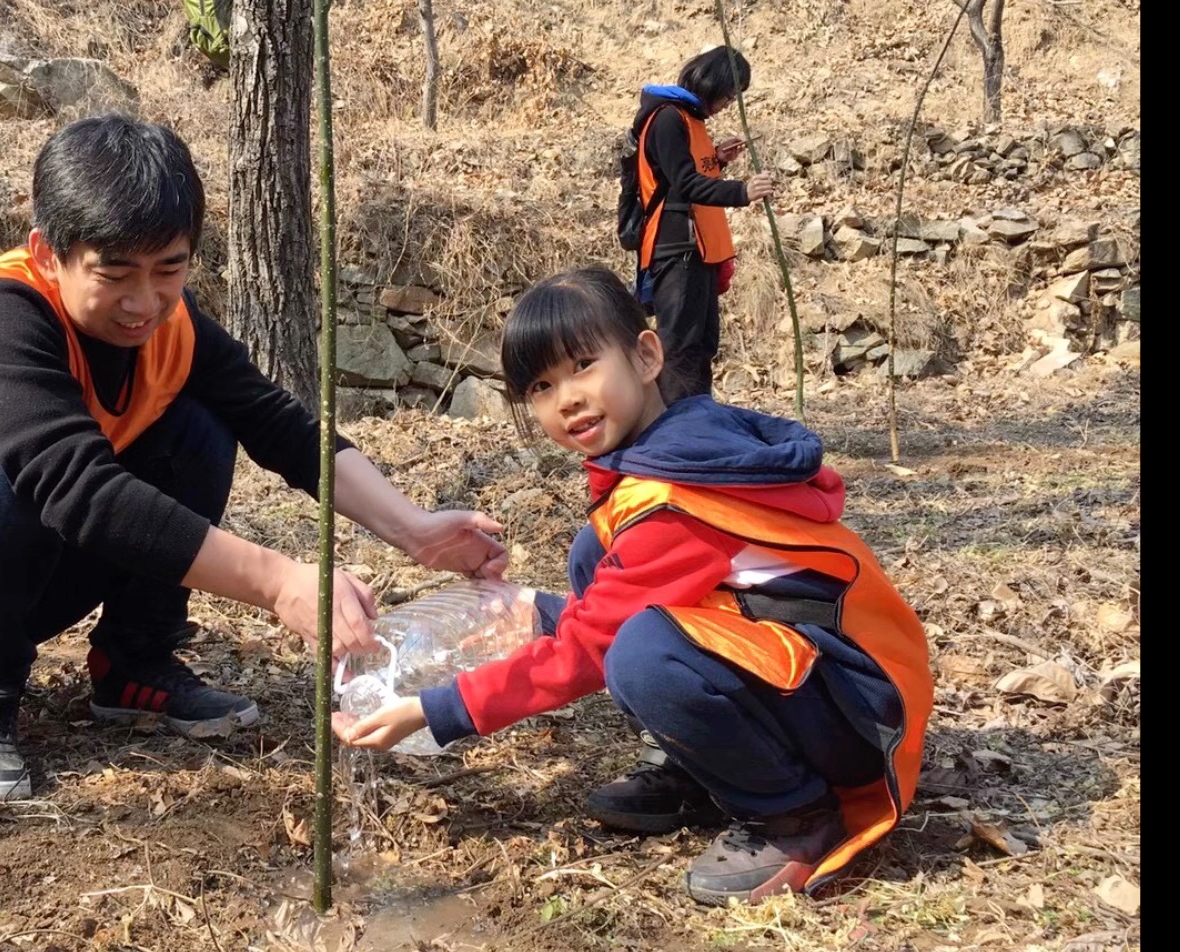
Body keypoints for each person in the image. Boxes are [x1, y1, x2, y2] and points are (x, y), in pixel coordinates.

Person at [0, 114, 509, 802]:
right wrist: (280, 583)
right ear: (49, 254)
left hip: (34, 566)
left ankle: (134, 663)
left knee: (202, 424)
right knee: (9, 459)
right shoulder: (0, 318)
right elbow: (76, 486)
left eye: (168, 269)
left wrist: (412, 528)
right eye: (115, 275)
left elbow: (279, 426)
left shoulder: (171, 326)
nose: (143, 302)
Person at [334, 267, 931, 906]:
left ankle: (793, 815)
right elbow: (641, 600)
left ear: (646, 356)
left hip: (859, 717)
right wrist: (540, 611)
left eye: (584, 365)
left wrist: (437, 710)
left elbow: (597, 647)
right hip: (814, 686)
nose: (567, 398)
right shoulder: (670, 458)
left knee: (642, 654)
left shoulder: (680, 497)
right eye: (541, 385)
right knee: (599, 558)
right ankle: (707, 769)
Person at [616, 46, 778, 403]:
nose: (727, 103)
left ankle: (697, 421)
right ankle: (673, 429)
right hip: (677, 250)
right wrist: (743, 191)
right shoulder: (667, 118)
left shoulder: (691, 120)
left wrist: (716, 160)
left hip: (699, 251)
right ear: (710, 82)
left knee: (702, 344)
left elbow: (683, 179)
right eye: (727, 94)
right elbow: (685, 184)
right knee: (679, 348)